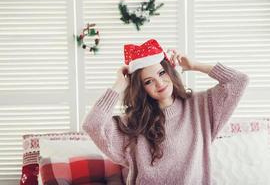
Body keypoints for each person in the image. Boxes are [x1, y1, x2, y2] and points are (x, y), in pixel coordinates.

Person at [82, 39, 249, 185]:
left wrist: (194, 65)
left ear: (170, 71)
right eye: (148, 81)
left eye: (162, 73)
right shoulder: (133, 124)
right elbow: (92, 124)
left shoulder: (200, 107)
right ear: (142, 88)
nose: (159, 83)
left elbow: (238, 81)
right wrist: (119, 84)